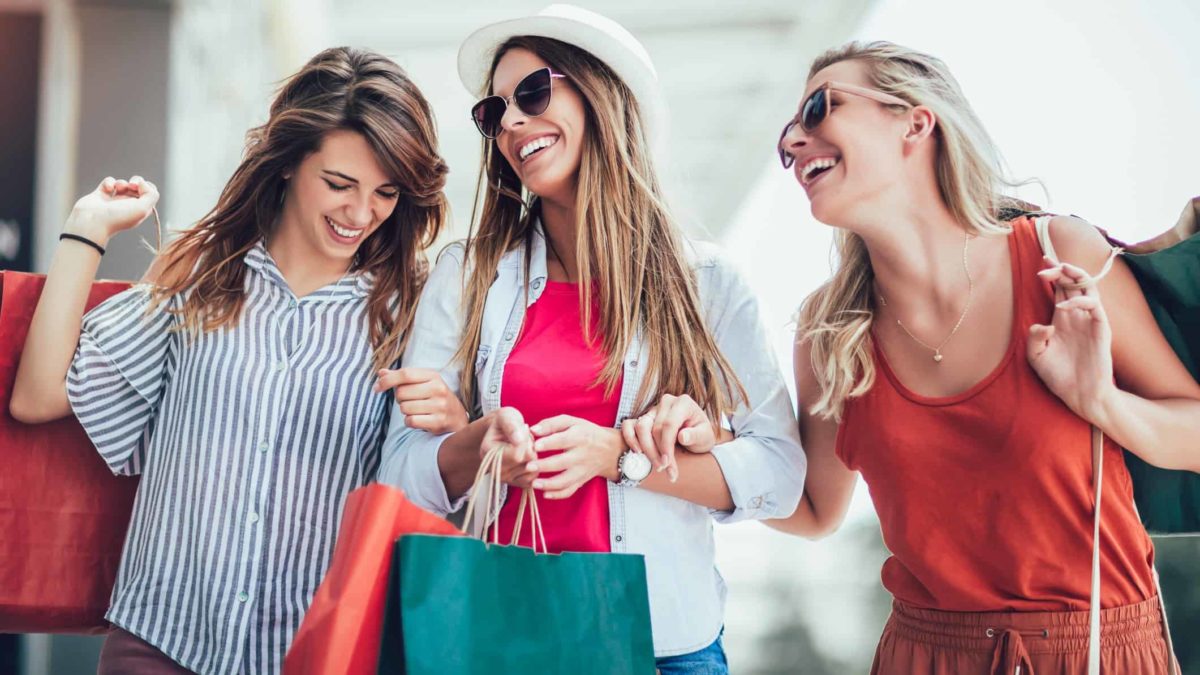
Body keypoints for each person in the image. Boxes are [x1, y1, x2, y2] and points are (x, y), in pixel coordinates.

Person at [375, 6, 806, 673]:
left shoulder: (708, 283)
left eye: (532, 93)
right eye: (494, 113)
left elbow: (780, 475)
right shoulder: (467, 277)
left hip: (666, 648)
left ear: (598, 94)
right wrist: (476, 444)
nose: (512, 122)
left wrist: (618, 458)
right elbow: (397, 473)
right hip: (501, 640)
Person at [10, 46, 467, 674]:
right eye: (339, 184)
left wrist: (454, 422)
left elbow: (439, 490)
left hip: (318, 655)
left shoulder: (412, 313)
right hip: (161, 644)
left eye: (385, 193)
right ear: (286, 164)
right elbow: (37, 397)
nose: (361, 213)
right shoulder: (202, 278)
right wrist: (88, 228)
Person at [770, 40, 1198, 673]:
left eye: (815, 110)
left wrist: (1100, 401)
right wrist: (668, 443)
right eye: (785, 136)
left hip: (1097, 653)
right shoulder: (829, 331)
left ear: (915, 121)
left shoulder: (1059, 258)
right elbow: (811, 508)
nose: (792, 144)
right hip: (925, 657)